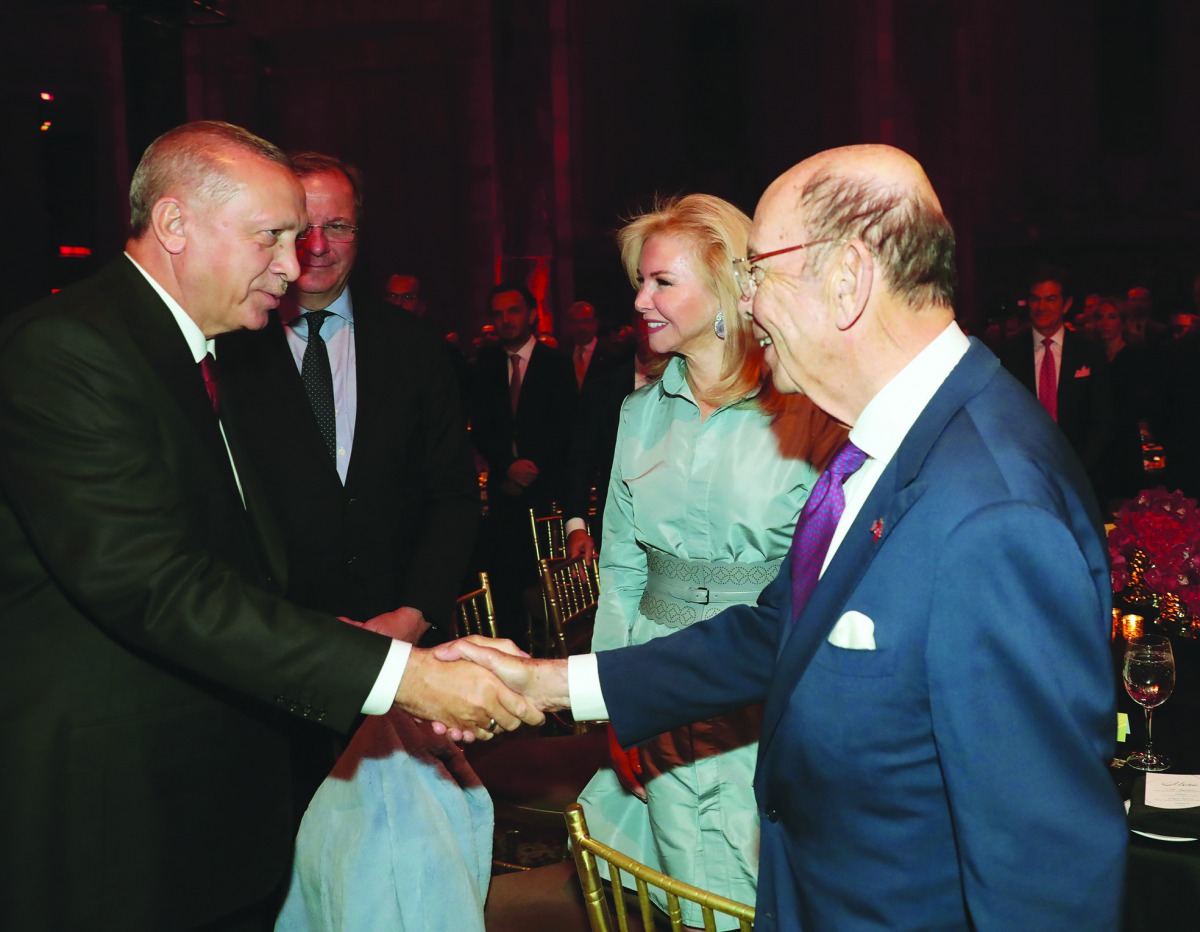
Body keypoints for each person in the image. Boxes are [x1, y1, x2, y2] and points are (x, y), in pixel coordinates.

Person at [440, 144, 1127, 930]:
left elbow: (1041, 872)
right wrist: (554, 685)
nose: (751, 303)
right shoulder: (894, 443)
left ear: (846, 279)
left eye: (759, 272)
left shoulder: (991, 509)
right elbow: (781, 630)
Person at [0, 120, 539, 931]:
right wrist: (401, 676)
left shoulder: (201, 350)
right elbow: (155, 585)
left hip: (208, 798)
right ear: (176, 224)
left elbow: (233, 568)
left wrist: (379, 660)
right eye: (272, 238)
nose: (294, 268)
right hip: (118, 809)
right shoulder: (68, 350)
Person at [574, 193, 842, 929]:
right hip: (656, 683)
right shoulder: (636, 413)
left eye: (662, 282)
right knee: (682, 886)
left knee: (767, 894)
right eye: (640, 281)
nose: (639, 300)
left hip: (766, 689)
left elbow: (829, 579)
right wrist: (615, 704)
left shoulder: (808, 412)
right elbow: (622, 570)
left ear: (725, 289)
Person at [470, 281, 578, 638]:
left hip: (547, 495)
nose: (505, 320)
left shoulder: (556, 364)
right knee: (506, 587)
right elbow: (480, 427)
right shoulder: (484, 366)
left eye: (513, 311)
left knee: (548, 590)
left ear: (531, 315)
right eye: (498, 314)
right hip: (505, 493)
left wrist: (533, 467)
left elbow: (566, 426)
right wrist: (507, 466)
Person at [996, 265, 1112, 485]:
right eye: (1035, 299)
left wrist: (1077, 469)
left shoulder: (1090, 353)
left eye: (1050, 299)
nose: (1041, 307)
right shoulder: (1007, 354)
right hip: (1024, 475)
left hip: (1081, 473)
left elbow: (1101, 420)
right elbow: (1002, 419)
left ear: (1066, 304)